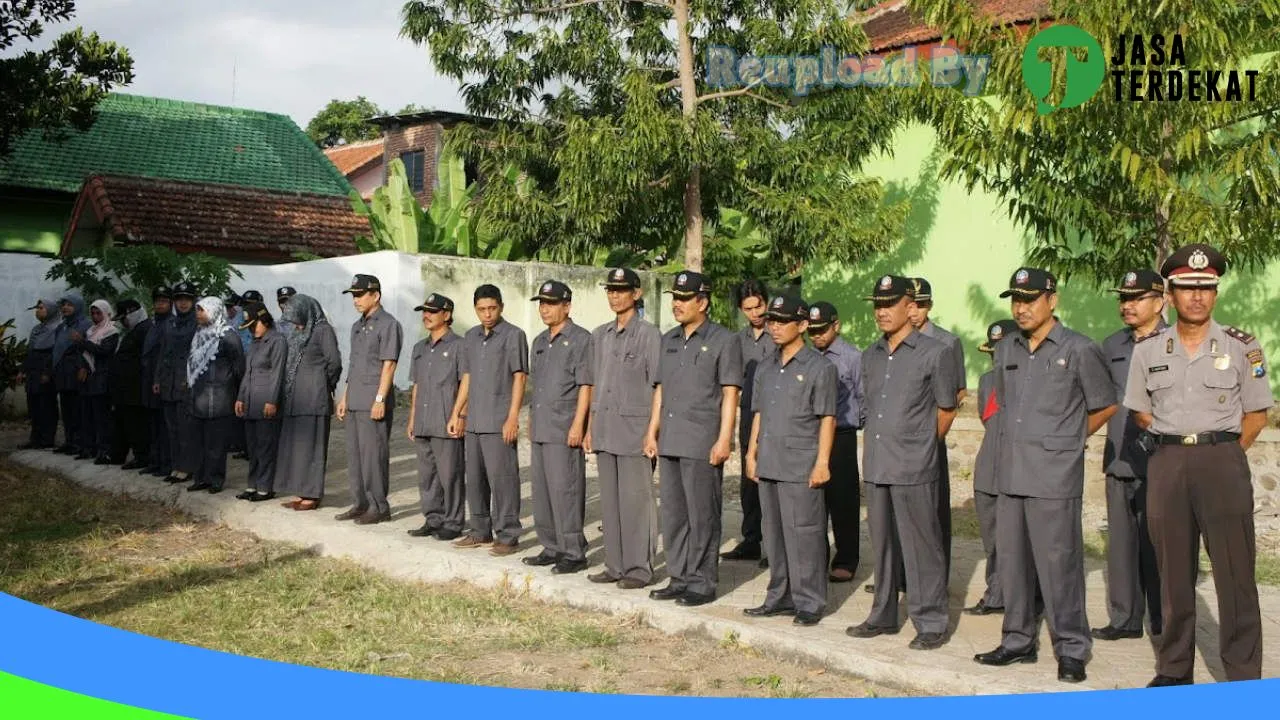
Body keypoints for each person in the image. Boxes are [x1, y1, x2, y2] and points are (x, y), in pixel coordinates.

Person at [1125, 244, 1272, 687]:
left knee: (1236, 574)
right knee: (1172, 573)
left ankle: (1243, 674)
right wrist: (1179, 442)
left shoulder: (1243, 346)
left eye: (1206, 287)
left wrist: (1221, 451)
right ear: (1169, 293)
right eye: (1187, 287)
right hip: (1167, 462)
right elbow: (1140, 411)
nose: (1197, 296)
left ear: (1215, 292)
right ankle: (1173, 670)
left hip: (1223, 462)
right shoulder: (1149, 349)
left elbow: (1257, 414)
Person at [974, 267, 1115, 684]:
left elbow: (1104, 405)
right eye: (1016, 300)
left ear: (1052, 300)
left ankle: (1071, 648)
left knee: (1060, 567)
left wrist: (1067, 441)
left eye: (1030, 299)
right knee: (1013, 564)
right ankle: (1017, 641)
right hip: (1011, 474)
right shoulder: (1007, 351)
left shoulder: (1079, 349)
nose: (1021, 308)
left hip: (1054, 478)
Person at [847, 275, 956, 651]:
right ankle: (883, 614)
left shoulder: (934, 352)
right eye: (877, 304)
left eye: (888, 304)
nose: (881, 311)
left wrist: (922, 444)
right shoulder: (869, 355)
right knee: (884, 544)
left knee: (922, 544)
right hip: (877, 463)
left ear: (910, 308)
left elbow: (946, 408)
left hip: (914, 465)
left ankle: (931, 620)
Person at [644, 271, 743, 607]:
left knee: (703, 514)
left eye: (685, 299)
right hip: (670, 439)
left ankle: (702, 581)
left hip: (702, 440)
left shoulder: (723, 340)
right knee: (674, 514)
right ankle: (679, 575)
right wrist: (651, 432)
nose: (678, 304)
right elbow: (660, 390)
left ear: (703, 302)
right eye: (675, 298)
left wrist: (724, 439)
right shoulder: (668, 339)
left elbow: (730, 392)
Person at [743, 295, 837, 626]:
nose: (775, 327)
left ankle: (809, 600)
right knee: (774, 532)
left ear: (802, 326)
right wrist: (750, 453)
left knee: (805, 533)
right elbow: (758, 413)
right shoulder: (765, 366)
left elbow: (827, 417)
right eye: (772, 321)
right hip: (769, 460)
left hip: (801, 463)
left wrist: (822, 462)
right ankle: (778, 595)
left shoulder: (820, 367)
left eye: (783, 321)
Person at [1093, 269, 1168, 642]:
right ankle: (1125, 619)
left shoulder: (1176, 342)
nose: (1127, 305)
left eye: (1136, 298)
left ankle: (1164, 618)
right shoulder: (1112, 346)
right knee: (1120, 544)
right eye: (1123, 298)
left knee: (1160, 544)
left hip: (1162, 462)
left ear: (1160, 301)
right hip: (1119, 457)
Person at [584, 268, 661, 589]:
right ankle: (615, 564)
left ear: (636, 293)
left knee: (637, 503)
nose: (614, 295)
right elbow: (594, 384)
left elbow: (659, 385)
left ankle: (639, 569)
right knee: (612, 503)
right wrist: (589, 427)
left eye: (621, 290)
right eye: (610, 290)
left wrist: (652, 432)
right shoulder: (599, 335)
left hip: (634, 431)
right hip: (605, 428)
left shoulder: (648, 334)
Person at [451, 284, 529, 555]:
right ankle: (480, 531)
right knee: (475, 480)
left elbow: (519, 377)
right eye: (482, 309)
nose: (487, 314)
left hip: (499, 421)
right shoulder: (470, 337)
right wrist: (457, 412)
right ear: (475, 310)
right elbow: (467, 378)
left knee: (503, 479)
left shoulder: (513, 336)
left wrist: (512, 418)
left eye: (492, 308)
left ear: (501, 307)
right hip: (474, 421)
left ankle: (508, 535)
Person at [523, 280, 594, 574]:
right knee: (541, 490)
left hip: (564, 427)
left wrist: (580, 425)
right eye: (541, 303)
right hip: (541, 425)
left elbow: (586, 385)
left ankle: (574, 551)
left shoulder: (581, 339)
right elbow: (536, 385)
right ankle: (551, 546)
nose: (545, 309)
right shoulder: (539, 341)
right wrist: (528, 418)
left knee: (566, 490)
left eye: (551, 304)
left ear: (567, 306)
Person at [909, 277, 965, 583]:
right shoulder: (892, 342)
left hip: (930, 436)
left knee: (935, 508)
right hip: (900, 440)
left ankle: (937, 577)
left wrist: (933, 437)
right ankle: (902, 575)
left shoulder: (947, 342)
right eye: (911, 305)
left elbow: (956, 395)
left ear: (929, 306)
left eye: (921, 305)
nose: (915, 311)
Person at [335, 274, 403, 525]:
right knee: (355, 456)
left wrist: (379, 398)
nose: (356, 300)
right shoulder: (357, 326)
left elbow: (389, 365)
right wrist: (345, 397)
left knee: (374, 456)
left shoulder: (388, 324)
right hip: (356, 400)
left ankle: (379, 506)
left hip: (374, 400)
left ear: (376, 295)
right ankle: (360, 503)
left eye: (360, 294)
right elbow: (354, 366)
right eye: (353, 295)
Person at [805, 301, 864, 584]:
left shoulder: (852, 357)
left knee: (843, 500)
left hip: (841, 435)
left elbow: (864, 398)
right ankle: (815, 556)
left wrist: (856, 423)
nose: (817, 336)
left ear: (836, 326)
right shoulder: (805, 357)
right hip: (810, 434)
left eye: (822, 330)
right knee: (813, 499)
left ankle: (846, 558)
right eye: (812, 331)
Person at [964, 318, 1019, 616]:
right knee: (993, 539)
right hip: (988, 467)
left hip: (1020, 469)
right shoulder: (986, 382)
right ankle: (995, 592)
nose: (997, 358)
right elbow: (988, 421)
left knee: (1019, 540)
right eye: (993, 352)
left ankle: (1024, 597)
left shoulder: (1030, 380)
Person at [405, 293, 466, 541]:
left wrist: (460, 414)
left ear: (447, 315)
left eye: (432, 311)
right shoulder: (420, 348)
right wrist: (412, 418)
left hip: (445, 419)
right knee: (427, 475)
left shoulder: (459, 346)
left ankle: (453, 522)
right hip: (423, 419)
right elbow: (417, 385)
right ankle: (433, 518)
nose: (426, 315)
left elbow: (465, 383)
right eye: (424, 311)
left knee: (450, 474)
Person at [722, 279, 774, 566]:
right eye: (748, 309)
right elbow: (733, 384)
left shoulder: (779, 333)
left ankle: (774, 544)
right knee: (748, 481)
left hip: (776, 417)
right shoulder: (737, 341)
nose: (755, 313)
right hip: (749, 416)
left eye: (759, 306)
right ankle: (751, 539)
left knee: (771, 480)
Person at [276, 294, 343, 512]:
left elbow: (334, 363)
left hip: (314, 399)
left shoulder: (323, 330)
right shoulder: (300, 332)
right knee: (298, 449)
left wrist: (323, 385)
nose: (294, 322)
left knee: (313, 449)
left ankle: (312, 494)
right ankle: (302, 491)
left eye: (296, 317)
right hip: (295, 399)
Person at [184, 296, 245, 493]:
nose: (198, 314)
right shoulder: (200, 334)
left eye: (202, 310)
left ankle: (215, 480)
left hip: (219, 398)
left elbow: (239, 368)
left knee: (216, 444)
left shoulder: (227, 336)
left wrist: (235, 392)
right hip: (199, 396)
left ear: (214, 311)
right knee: (198, 442)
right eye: (198, 310)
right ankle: (201, 478)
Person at [235, 301, 287, 502]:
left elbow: (277, 374)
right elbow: (247, 373)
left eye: (254, 325)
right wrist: (240, 397)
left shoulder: (277, 341)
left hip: (266, 402)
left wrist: (272, 400)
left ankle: (265, 487)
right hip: (250, 402)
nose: (252, 331)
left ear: (264, 320)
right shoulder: (255, 343)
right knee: (253, 448)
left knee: (266, 447)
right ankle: (252, 485)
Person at [157, 281, 200, 485]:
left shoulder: (197, 323)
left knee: (185, 428)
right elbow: (163, 353)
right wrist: (157, 379)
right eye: (179, 299)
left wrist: (189, 378)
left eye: (187, 299)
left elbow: (197, 356)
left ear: (193, 301)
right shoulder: (170, 323)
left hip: (186, 380)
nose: (183, 303)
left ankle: (187, 467)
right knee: (171, 427)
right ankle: (176, 466)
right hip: (168, 381)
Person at [109, 299, 153, 468]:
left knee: (138, 425)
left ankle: (142, 456)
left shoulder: (144, 329)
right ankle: (125, 454)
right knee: (127, 423)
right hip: (126, 388)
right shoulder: (133, 330)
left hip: (136, 387)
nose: (123, 322)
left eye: (124, 318)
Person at [76, 299, 119, 463]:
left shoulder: (111, 331)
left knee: (103, 418)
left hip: (103, 379)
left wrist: (83, 342)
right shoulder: (90, 331)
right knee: (88, 416)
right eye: (92, 313)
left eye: (98, 313)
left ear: (106, 313)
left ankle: (105, 451)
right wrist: (82, 367)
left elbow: (104, 352)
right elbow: (82, 354)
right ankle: (90, 448)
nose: (95, 316)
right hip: (89, 379)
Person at [18, 295, 61, 450]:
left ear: (50, 310)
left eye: (41, 308)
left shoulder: (57, 328)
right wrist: (22, 370)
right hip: (33, 371)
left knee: (46, 405)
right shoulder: (36, 330)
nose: (37, 311)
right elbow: (31, 352)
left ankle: (47, 438)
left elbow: (54, 353)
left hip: (45, 371)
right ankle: (35, 438)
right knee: (34, 405)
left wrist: (47, 372)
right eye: (37, 308)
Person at [51, 292, 91, 455]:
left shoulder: (85, 324)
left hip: (76, 370)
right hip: (62, 371)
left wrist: (83, 367)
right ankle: (69, 441)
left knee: (77, 408)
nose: (65, 307)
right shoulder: (62, 326)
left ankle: (79, 442)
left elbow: (87, 349)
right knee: (66, 408)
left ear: (78, 307)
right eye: (64, 304)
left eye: (70, 304)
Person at [139, 287, 173, 477]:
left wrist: (159, 378)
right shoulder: (154, 324)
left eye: (164, 301)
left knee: (164, 426)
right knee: (152, 424)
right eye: (157, 301)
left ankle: (166, 463)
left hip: (162, 380)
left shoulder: (170, 324)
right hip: (148, 379)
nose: (160, 305)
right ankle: (155, 461)